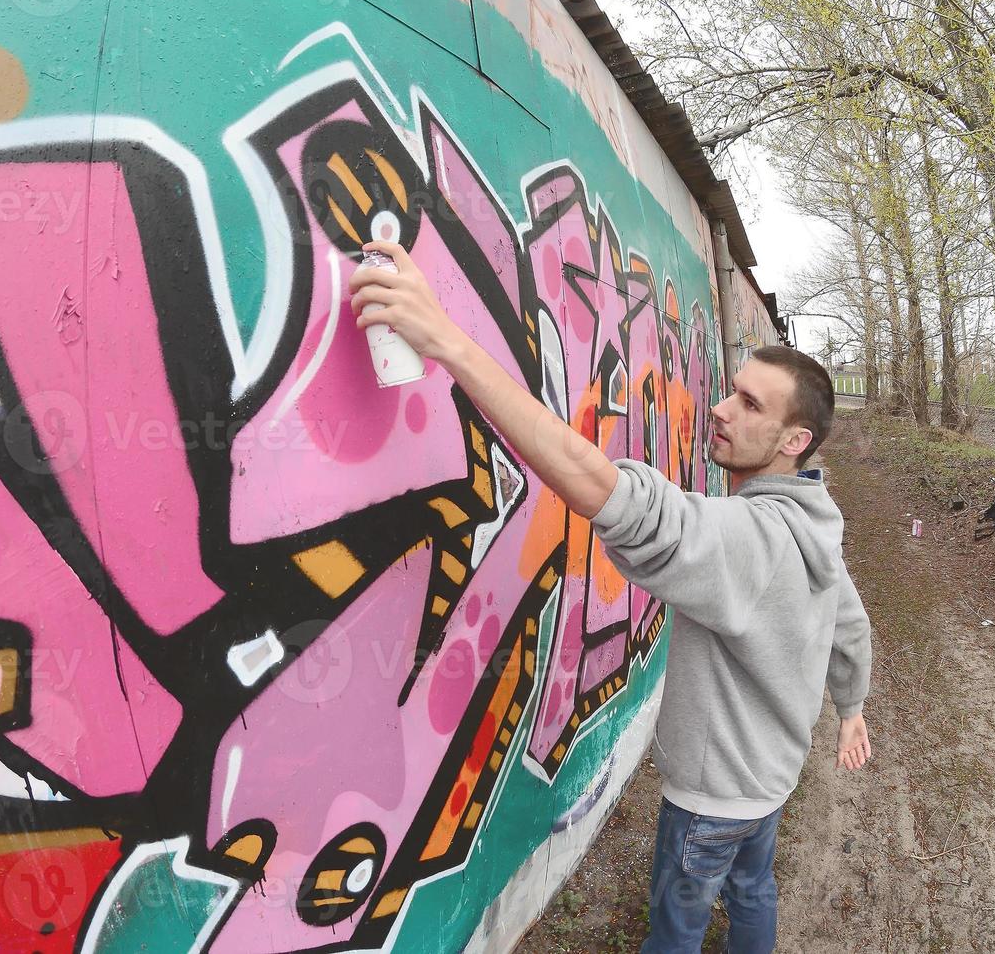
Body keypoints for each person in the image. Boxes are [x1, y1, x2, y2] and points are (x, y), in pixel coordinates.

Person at [347, 240, 873, 954]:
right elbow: (850, 619)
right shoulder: (817, 520)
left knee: (676, 931)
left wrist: (446, 342)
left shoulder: (752, 541)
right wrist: (851, 707)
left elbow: (618, 500)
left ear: (793, 441)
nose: (719, 409)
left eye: (749, 404)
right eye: (731, 388)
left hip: (712, 801)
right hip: (772, 779)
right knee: (754, 893)